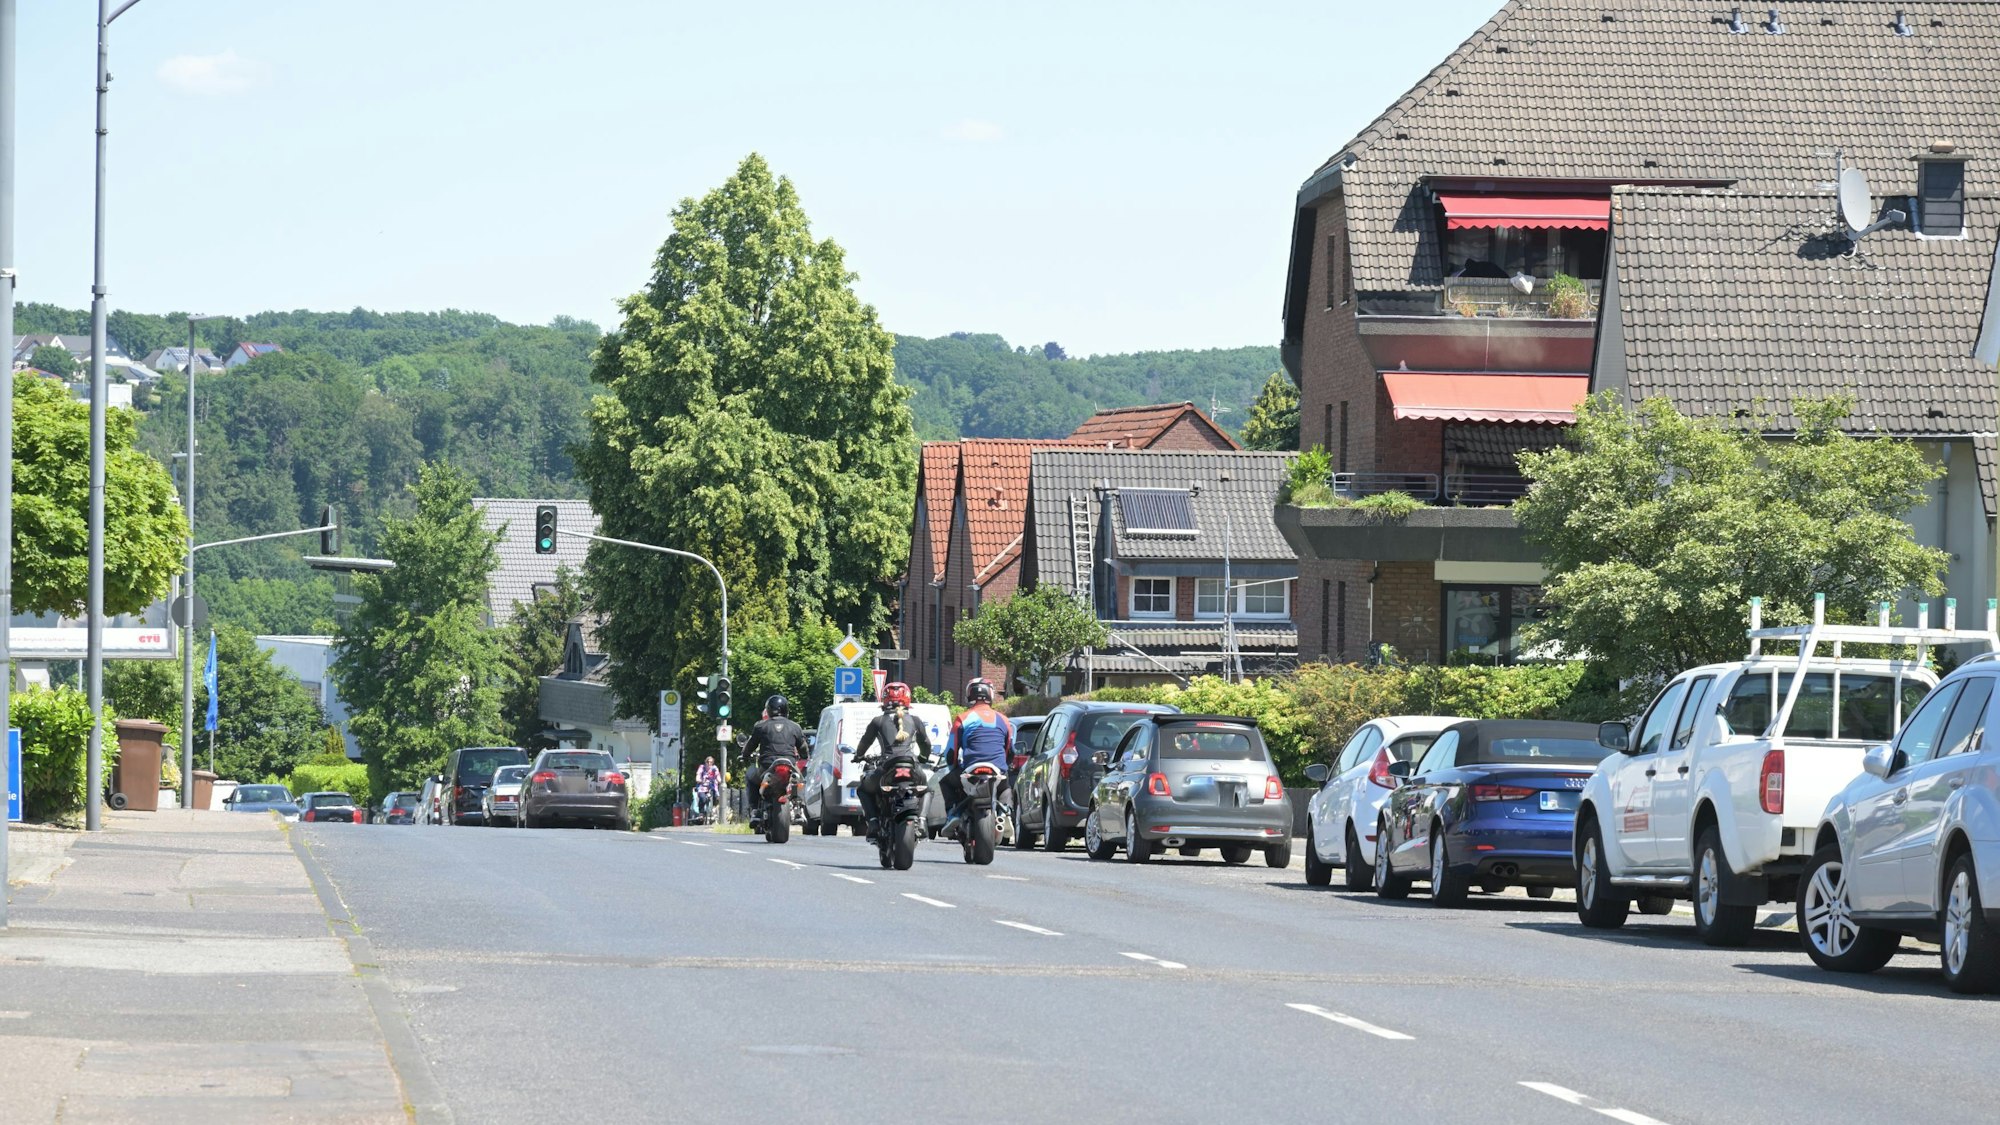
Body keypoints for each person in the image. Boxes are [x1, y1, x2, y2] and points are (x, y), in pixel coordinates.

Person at [852, 681, 932, 841]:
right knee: (926, 790)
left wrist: (858, 756)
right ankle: (922, 821)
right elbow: (926, 744)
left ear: (884, 699)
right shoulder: (915, 720)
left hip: (887, 768)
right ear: (908, 699)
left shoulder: (878, 721)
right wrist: (923, 758)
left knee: (863, 789)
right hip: (912, 767)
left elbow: (865, 742)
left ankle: (873, 822)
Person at [940, 678, 1013, 831]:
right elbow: (1009, 751)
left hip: (970, 769)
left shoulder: (962, 718)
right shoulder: (1004, 720)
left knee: (945, 782)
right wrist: (1004, 766)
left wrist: (953, 766)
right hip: (997, 770)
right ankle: (1005, 812)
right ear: (991, 695)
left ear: (969, 695)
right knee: (1006, 787)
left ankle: (954, 814)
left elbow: (951, 752)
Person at [742, 695, 808, 827]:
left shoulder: (761, 726)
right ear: (786, 709)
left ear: (769, 709)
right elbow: (803, 748)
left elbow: (750, 745)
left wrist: (744, 755)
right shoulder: (795, 727)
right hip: (789, 764)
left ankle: (755, 810)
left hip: (767, 766)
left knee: (750, 776)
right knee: (799, 780)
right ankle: (798, 808)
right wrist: (804, 755)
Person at [693, 756, 721, 823]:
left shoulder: (714, 768)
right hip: (702, 787)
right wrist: (698, 779)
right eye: (707, 762)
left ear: (712, 763)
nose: (709, 763)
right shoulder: (702, 767)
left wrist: (720, 781)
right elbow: (698, 775)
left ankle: (714, 810)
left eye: (711, 762)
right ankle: (701, 813)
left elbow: (718, 776)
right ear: (705, 762)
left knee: (716, 796)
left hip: (712, 786)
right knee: (702, 798)